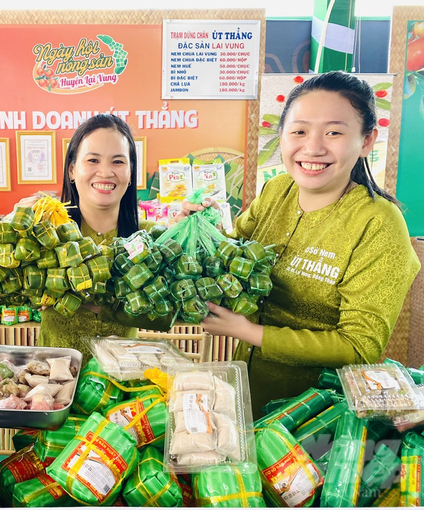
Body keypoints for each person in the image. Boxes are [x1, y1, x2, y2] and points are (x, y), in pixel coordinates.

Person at [180, 71, 420, 415]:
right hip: (245, 395)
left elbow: (359, 345)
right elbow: (233, 258)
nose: (313, 147)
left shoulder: (379, 224)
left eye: (334, 132)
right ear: (282, 136)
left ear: (367, 140)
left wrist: (251, 332)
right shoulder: (277, 191)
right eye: (299, 131)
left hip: (316, 415)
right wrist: (201, 228)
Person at [17, 114, 170, 356]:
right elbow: (4, 289)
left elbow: (165, 317)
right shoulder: (47, 233)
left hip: (120, 381)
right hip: (53, 378)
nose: (105, 172)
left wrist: (98, 302)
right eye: (93, 160)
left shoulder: (150, 238)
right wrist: (16, 227)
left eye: (118, 162)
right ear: (72, 170)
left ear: (131, 174)